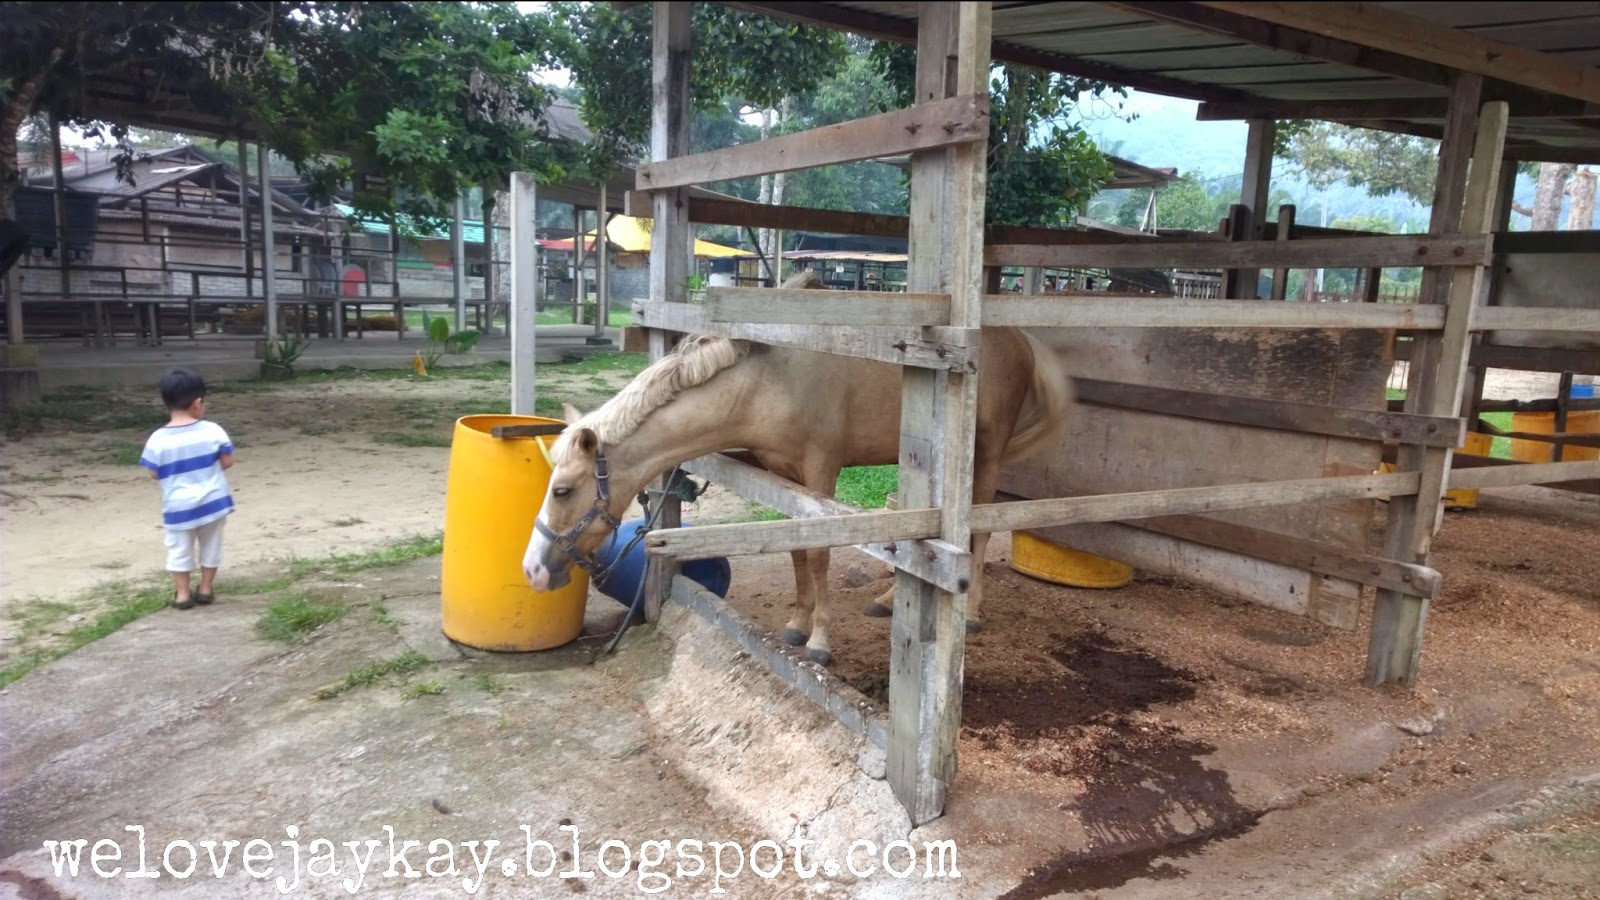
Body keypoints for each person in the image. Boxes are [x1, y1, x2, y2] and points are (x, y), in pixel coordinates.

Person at [139, 368, 236, 610]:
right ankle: (205, 588)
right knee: (211, 545)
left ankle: (183, 593)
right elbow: (227, 461)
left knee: (179, 549)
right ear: (198, 403)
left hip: (178, 506)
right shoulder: (213, 430)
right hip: (214, 502)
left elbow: (153, 473)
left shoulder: (157, 439)